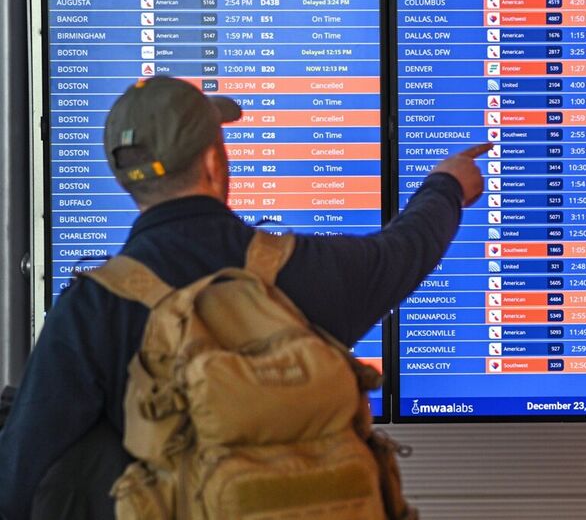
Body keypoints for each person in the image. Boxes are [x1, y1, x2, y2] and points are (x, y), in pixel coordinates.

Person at [0, 75, 489, 519]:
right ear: (214, 162)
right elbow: (404, 251)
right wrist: (447, 186)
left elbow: (20, 480)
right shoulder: (301, 270)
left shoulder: (92, 309)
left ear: (127, 180)